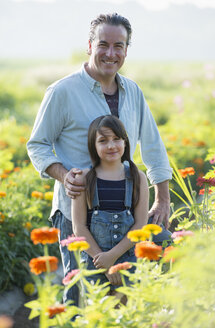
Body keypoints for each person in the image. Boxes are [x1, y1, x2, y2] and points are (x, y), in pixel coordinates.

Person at [26, 13, 172, 305]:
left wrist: (162, 197)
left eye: (119, 46)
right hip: (77, 212)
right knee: (79, 294)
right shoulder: (62, 92)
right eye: (103, 44)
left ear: (127, 50)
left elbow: (153, 144)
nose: (110, 53)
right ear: (89, 46)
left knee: (131, 290)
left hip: (127, 213)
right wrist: (63, 174)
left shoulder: (133, 91)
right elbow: (37, 144)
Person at [72, 115, 148, 288]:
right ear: (93, 145)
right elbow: (79, 227)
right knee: (99, 310)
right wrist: (103, 261)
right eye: (103, 140)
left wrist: (112, 256)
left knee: (128, 309)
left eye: (116, 139)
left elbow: (140, 225)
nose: (111, 145)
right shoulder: (83, 178)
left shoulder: (138, 178)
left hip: (130, 260)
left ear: (125, 142)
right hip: (95, 262)